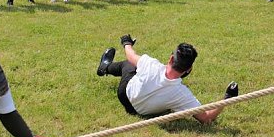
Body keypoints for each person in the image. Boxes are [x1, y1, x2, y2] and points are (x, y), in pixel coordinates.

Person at [96, 36, 238, 123]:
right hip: (142, 113)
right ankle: (104, 67)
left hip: (125, 96)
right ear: (188, 70)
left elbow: (130, 55)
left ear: (170, 58)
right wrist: (227, 98)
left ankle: (105, 67)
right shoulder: (182, 95)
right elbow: (206, 118)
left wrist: (126, 42)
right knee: (133, 67)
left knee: (128, 65)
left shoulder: (150, 64)